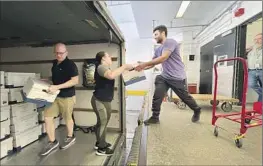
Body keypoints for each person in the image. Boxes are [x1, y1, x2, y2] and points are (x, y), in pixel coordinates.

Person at [135, 25, 201, 125]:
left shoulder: (170, 42)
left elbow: (163, 58)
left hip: (177, 77)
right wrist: (141, 68)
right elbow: (153, 63)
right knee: (157, 95)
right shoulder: (158, 49)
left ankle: (197, 110)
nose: (155, 37)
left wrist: (144, 64)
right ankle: (155, 117)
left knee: (185, 98)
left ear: (163, 33)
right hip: (164, 77)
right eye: (154, 35)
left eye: (156, 34)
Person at [91, 51, 133, 156]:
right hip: (99, 100)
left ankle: (99, 142)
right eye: (108, 56)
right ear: (103, 58)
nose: (111, 58)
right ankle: (101, 148)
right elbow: (111, 76)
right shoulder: (101, 67)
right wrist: (124, 67)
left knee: (102, 122)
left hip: (105, 100)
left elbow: (113, 73)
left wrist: (130, 69)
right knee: (103, 122)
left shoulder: (106, 68)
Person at [40, 43, 79, 156]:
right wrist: (46, 79)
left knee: (67, 117)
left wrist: (57, 87)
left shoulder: (71, 65)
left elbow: (75, 81)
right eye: (56, 53)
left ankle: (70, 136)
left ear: (66, 53)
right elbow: (57, 77)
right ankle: (52, 141)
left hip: (67, 96)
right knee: (47, 117)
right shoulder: (54, 63)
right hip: (54, 96)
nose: (59, 55)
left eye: (61, 53)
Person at [246, 33, 262, 102]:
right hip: (252, 71)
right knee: (251, 84)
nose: (256, 41)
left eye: (259, 39)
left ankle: (259, 108)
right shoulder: (250, 50)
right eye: (255, 39)